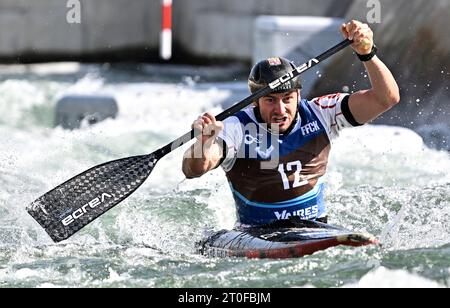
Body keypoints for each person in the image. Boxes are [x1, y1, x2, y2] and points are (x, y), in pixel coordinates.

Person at [182, 20, 400, 227]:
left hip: (315, 227)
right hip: (258, 233)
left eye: (287, 99)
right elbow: (194, 170)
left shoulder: (322, 112)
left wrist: (367, 54)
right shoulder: (236, 127)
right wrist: (204, 144)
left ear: (298, 94)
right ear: (256, 101)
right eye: (270, 100)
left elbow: (386, 99)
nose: (280, 109)